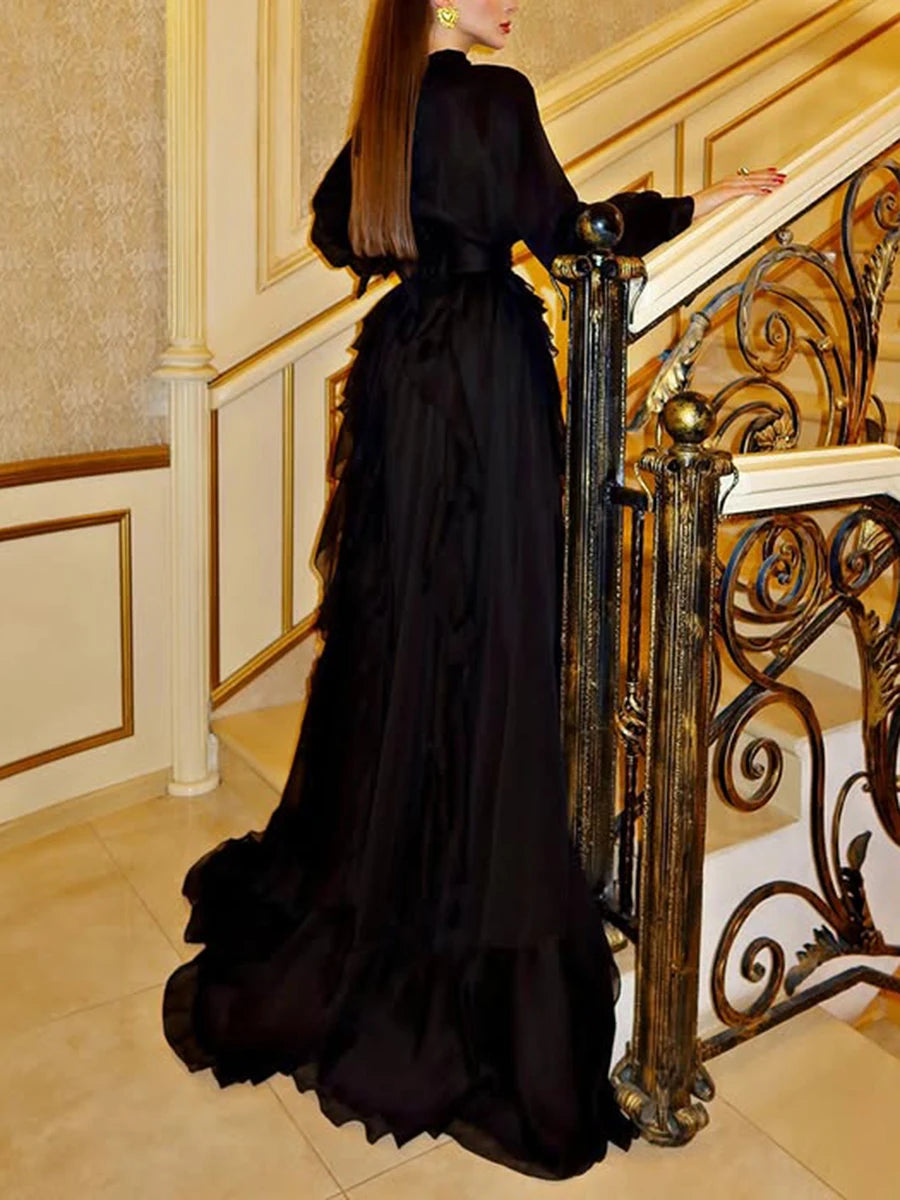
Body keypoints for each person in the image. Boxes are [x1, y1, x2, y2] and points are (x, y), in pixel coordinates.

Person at [162, 0, 784, 1181]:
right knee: (495, 644)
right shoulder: (497, 102)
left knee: (403, 638)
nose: (513, 4)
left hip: (405, 375)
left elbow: (341, 226)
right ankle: (470, 885)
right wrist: (706, 199)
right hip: (489, 384)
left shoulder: (393, 107)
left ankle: (395, 867)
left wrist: (437, 242)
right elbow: (575, 232)